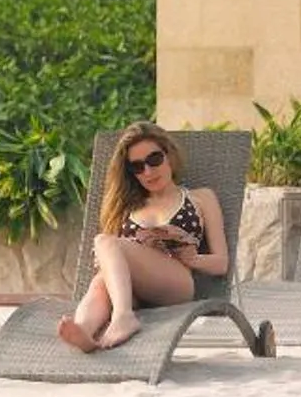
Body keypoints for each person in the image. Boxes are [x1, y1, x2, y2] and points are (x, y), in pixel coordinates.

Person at [59, 124, 229, 352]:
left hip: (176, 282)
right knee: (101, 279)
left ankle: (123, 317)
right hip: (133, 290)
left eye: (154, 159)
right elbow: (115, 253)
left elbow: (222, 263)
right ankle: (83, 331)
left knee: (103, 241)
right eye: (138, 167)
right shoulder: (127, 207)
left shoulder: (201, 198)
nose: (148, 171)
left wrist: (192, 258)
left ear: (169, 156)